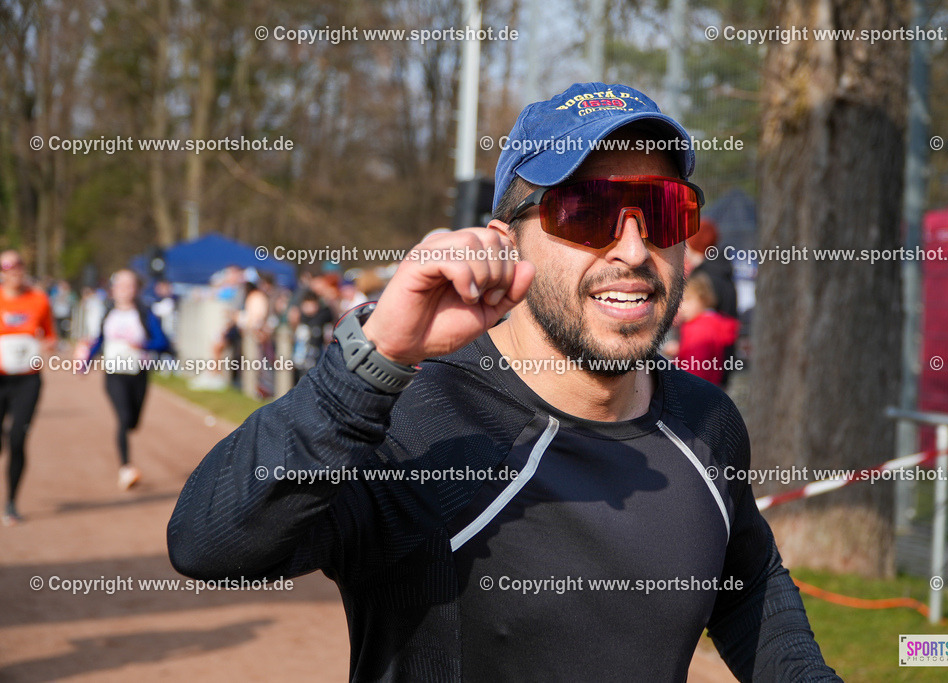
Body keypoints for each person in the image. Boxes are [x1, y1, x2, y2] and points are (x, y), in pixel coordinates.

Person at [169, 82, 839, 681]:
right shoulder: (422, 426)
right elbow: (209, 542)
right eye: (586, 211)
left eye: (661, 212)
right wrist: (372, 361)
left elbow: (749, 584)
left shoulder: (704, 420)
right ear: (503, 243)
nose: (634, 251)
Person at [83, 270, 170, 491]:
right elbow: (99, 340)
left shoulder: (144, 313)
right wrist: (86, 361)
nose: (125, 290)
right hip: (114, 374)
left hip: (138, 374)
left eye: (129, 285)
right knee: (122, 419)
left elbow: (162, 341)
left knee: (133, 422)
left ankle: (127, 449)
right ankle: (126, 468)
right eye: (121, 285)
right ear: (113, 289)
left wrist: (142, 346)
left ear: (136, 288)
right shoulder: (108, 312)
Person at [0, 251, 56, 525]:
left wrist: (48, 345)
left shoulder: (39, 299)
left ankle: (10, 502)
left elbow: (50, 335)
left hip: (27, 380)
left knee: (18, 439)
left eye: (18, 265)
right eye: (7, 266)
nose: (13, 271)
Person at [674, 271, 740, 386]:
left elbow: (695, 367)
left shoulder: (699, 328)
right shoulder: (710, 323)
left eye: (688, 300)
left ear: (702, 299)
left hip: (693, 390)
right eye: (680, 301)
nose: (682, 306)